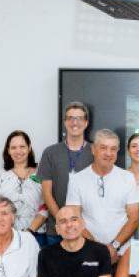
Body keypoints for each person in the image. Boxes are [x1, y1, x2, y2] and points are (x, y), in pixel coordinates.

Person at [65, 129, 139, 264]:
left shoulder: (128, 178)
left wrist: (114, 246)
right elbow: (73, 218)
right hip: (88, 252)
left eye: (113, 149)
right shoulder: (77, 179)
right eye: (103, 148)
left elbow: (134, 218)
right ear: (93, 149)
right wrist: (98, 248)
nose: (108, 153)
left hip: (122, 253)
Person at [38, 101, 94, 246]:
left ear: (86, 122)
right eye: (70, 118)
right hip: (56, 230)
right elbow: (47, 193)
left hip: (88, 229)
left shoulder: (95, 152)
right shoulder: (50, 152)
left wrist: (79, 226)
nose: (74, 122)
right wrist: (64, 222)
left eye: (79, 118)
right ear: (64, 122)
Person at [0, 130, 47, 239]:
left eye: (22, 146)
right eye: (13, 147)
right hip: (7, 236)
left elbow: (46, 206)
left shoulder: (42, 172)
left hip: (37, 235)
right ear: (8, 150)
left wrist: (30, 231)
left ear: (29, 148)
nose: (18, 151)